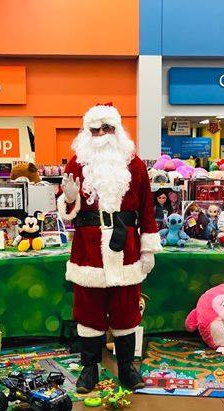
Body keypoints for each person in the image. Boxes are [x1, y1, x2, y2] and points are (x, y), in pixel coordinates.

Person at [58, 103, 161, 392]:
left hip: (126, 248)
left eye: (107, 128)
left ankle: (126, 367)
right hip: (88, 250)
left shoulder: (134, 164)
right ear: (87, 132)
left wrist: (148, 249)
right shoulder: (76, 163)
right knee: (88, 312)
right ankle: (89, 369)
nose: (102, 134)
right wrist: (69, 198)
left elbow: (147, 209)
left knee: (126, 311)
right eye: (96, 129)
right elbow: (66, 211)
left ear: (117, 130)